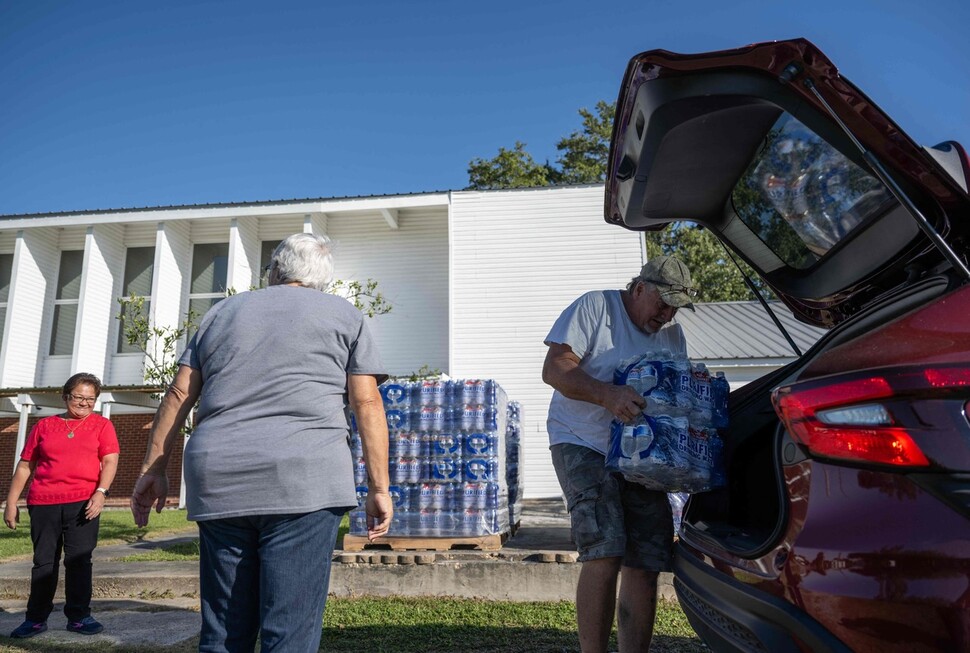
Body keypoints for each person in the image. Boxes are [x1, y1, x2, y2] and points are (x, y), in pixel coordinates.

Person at [130, 232, 393, 653]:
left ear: (274, 270)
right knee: (287, 631)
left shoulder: (221, 313)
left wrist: (154, 468)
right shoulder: (345, 315)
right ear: (322, 280)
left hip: (220, 478)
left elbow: (179, 394)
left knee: (224, 631)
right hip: (304, 480)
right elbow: (365, 400)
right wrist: (379, 488)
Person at [541, 255, 696, 653]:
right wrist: (607, 395)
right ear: (639, 288)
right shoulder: (597, 307)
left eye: (675, 306)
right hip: (583, 440)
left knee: (647, 559)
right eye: (662, 302)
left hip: (643, 455)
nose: (667, 313)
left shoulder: (672, 335)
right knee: (606, 548)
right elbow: (556, 369)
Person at [4, 373, 119, 639]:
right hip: (43, 502)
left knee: (79, 561)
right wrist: (11, 502)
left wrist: (101, 493)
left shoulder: (102, 426)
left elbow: (110, 461)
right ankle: (35, 619)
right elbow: (25, 466)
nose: (84, 403)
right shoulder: (44, 426)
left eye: (90, 399)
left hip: (83, 503)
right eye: (79, 397)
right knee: (43, 563)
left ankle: (79, 617)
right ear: (66, 396)